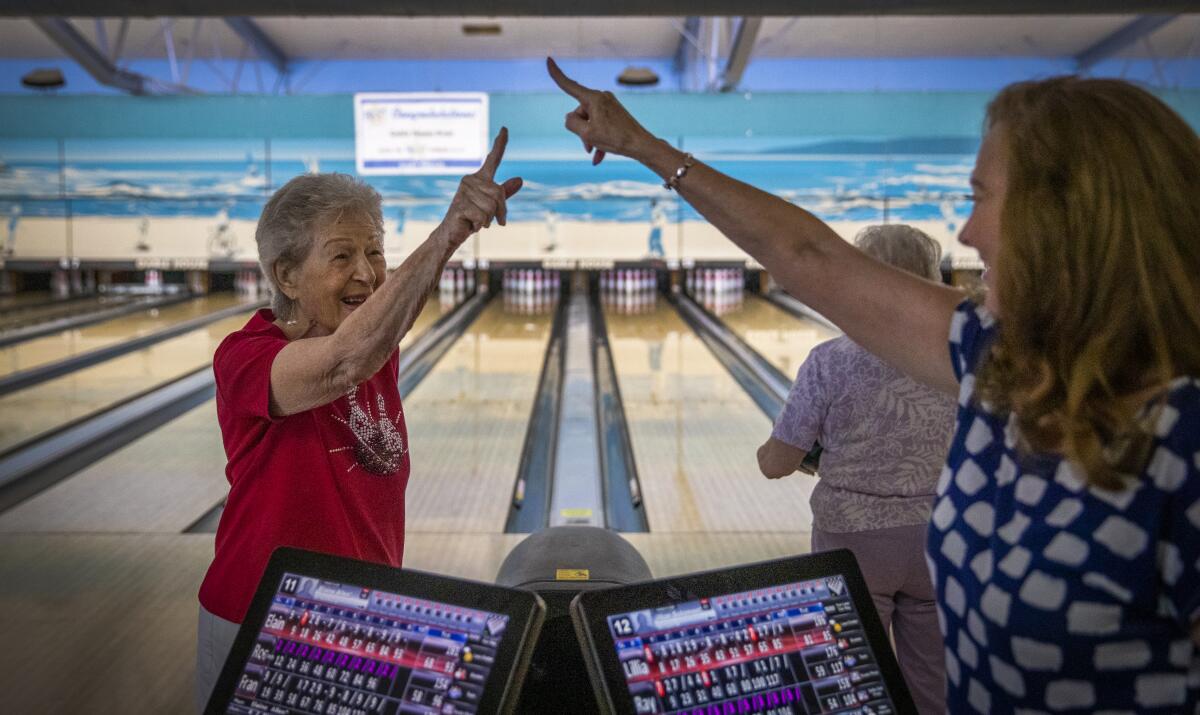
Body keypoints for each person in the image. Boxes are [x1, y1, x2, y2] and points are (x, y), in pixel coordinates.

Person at [548, 58, 1200, 712]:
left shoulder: (1184, 444)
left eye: (981, 197)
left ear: (1067, 220)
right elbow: (810, 258)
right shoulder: (996, 360)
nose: (967, 233)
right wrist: (646, 148)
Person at [194, 130, 522, 711]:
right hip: (263, 622)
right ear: (287, 276)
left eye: (374, 251)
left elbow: (382, 325)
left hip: (366, 613)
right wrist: (447, 230)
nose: (368, 273)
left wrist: (458, 234)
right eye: (342, 255)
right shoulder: (246, 357)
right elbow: (343, 363)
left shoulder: (376, 345)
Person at [758, 223, 955, 714]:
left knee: (849, 680)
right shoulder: (957, 359)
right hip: (939, 539)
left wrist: (786, 455)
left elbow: (777, 463)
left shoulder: (831, 362)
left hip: (853, 542)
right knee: (933, 683)